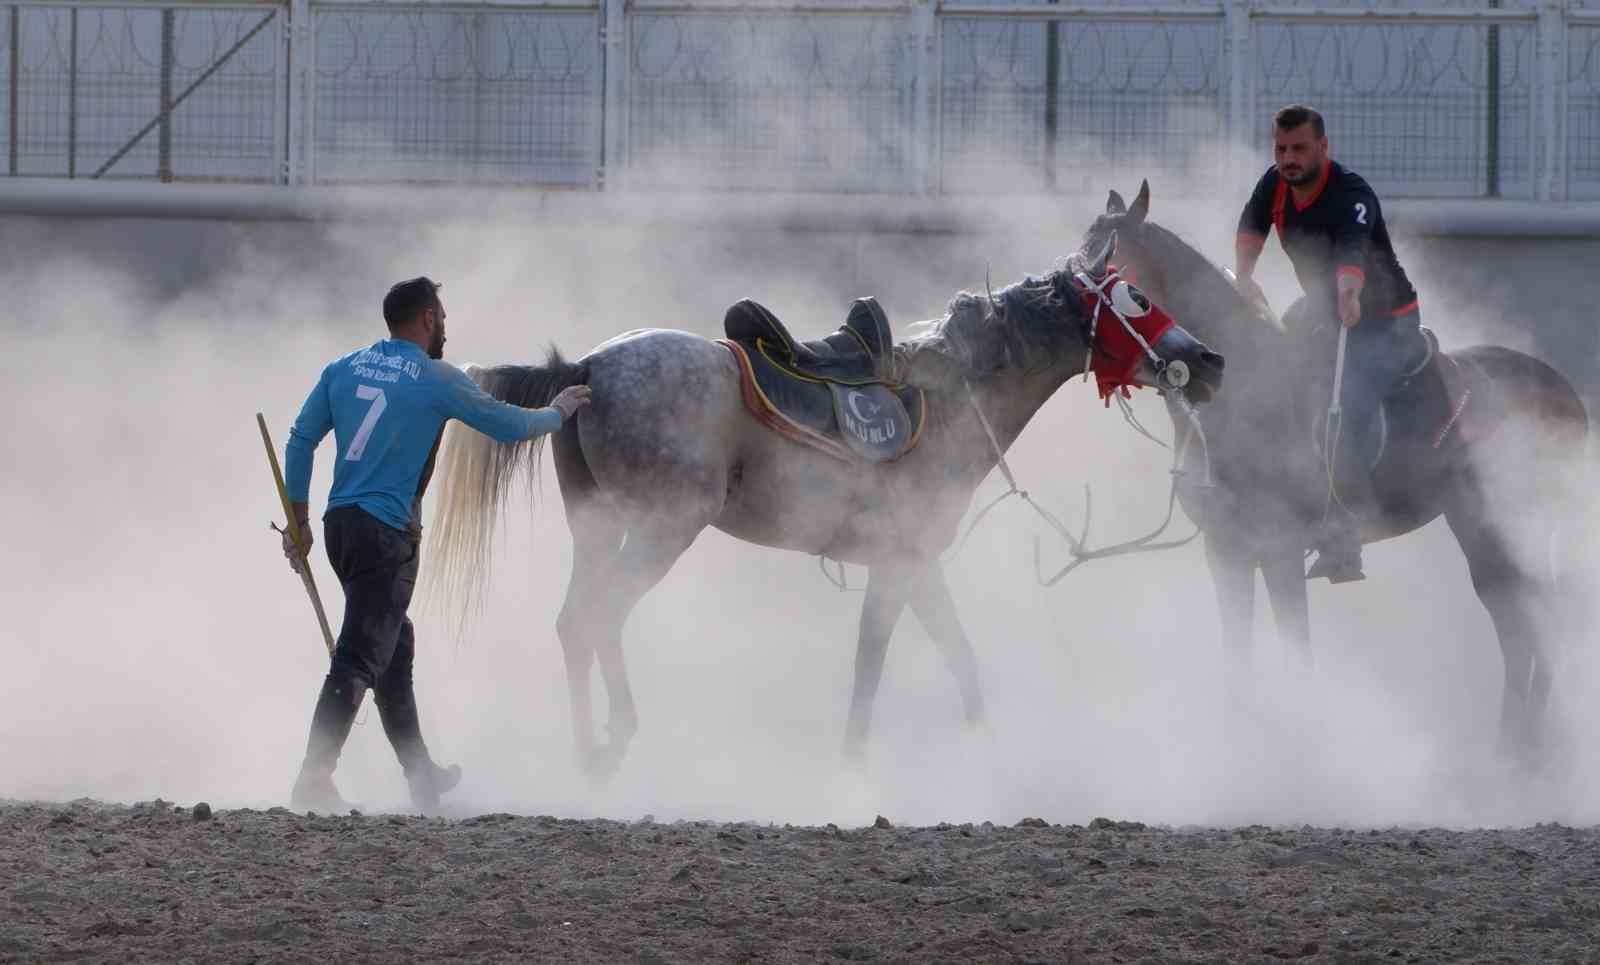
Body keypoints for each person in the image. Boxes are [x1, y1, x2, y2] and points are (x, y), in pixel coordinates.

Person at [281, 277, 591, 812]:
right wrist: (556, 413)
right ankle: (314, 777)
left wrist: (298, 521)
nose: (445, 324)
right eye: (442, 315)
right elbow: (506, 424)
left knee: (393, 644)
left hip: (340, 527)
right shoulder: (434, 378)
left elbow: (300, 440)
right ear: (427, 318)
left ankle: (421, 774)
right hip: (386, 535)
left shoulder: (343, 368)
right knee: (358, 655)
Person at [1233, 105, 1425, 584]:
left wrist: (1348, 291)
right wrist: (1243, 278)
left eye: (1299, 149)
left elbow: (1352, 249)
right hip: (1324, 311)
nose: (1288, 159)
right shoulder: (1273, 185)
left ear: (1323, 147)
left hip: (1384, 320)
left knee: (1342, 409)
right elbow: (1252, 227)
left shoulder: (1352, 194)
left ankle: (1344, 540)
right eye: (1281, 149)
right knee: (1274, 379)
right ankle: (1287, 501)